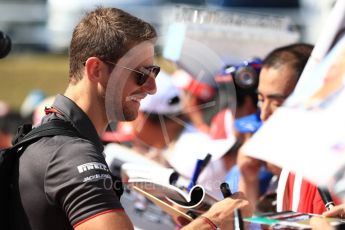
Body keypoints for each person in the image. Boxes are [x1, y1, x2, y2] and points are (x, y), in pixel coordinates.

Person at [10, 7, 251, 230]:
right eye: (140, 74)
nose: (152, 87)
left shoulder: (56, 139)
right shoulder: (72, 153)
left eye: (154, 72)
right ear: (95, 69)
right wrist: (214, 221)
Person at [237, 43, 337, 214]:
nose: (263, 114)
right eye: (261, 100)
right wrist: (249, 179)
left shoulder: (328, 171)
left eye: (277, 103)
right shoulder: (271, 165)